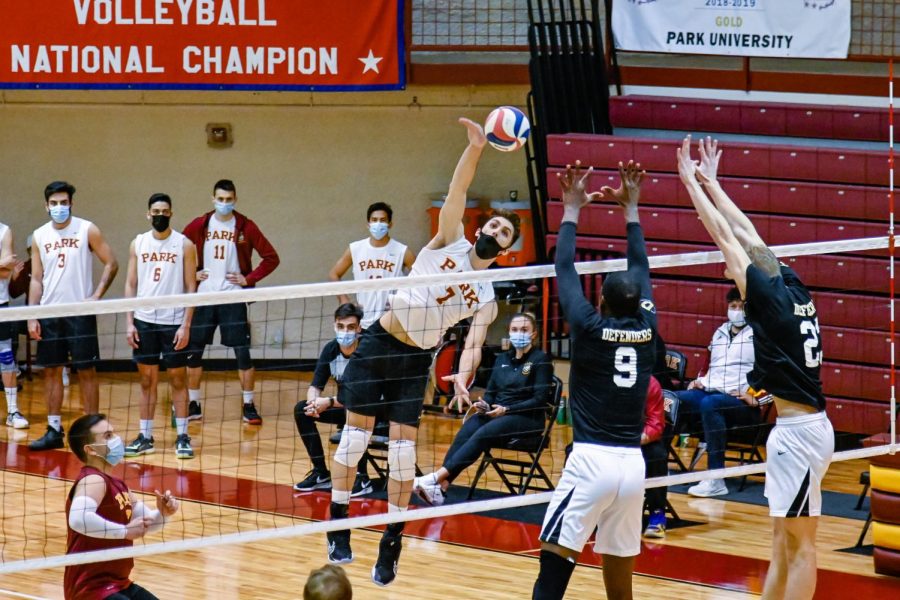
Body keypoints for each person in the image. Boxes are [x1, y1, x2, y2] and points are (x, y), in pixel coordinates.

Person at [325, 117, 521, 587]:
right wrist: (475, 147)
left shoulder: (488, 295)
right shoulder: (448, 238)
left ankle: (391, 542)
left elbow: (474, 343)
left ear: (508, 250)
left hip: (416, 362)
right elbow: (458, 187)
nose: (495, 230)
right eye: (493, 223)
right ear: (480, 227)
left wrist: (464, 378)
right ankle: (338, 524)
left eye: (505, 233)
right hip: (378, 345)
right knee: (353, 440)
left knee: (400, 456)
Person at [677, 136, 832, 600]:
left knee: (802, 547)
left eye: (733, 271)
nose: (728, 271)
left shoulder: (765, 298)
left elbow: (726, 236)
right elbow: (749, 235)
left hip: (800, 433)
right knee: (781, 545)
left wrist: (690, 184)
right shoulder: (792, 284)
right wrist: (715, 183)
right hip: (800, 429)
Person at [532, 160, 655, 600]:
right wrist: (632, 211)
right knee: (620, 580)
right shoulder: (647, 329)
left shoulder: (587, 326)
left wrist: (570, 210)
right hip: (632, 465)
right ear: (639, 302)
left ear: (599, 299)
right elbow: (640, 269)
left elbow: (563, 268)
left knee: (553, 560)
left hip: (590, 462)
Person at [413, 312, 553, 505]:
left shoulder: (540, 360)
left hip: (528, 419)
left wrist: (507, 409)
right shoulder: (502, 359)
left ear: (534, 334)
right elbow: (491, 393)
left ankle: (435, 478)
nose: (518, 333)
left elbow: (540, 399)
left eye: (524, 330)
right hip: (498, 414)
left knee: (486, 432)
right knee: (469, 427)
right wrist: (484, 404)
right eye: (514, 330)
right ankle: (442, 487)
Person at [28, 181, 119, 451]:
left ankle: (92, 430)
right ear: (46, 206)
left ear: (71, 204)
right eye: (54, 204)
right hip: (50, 312)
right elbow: (36, 278)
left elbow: (112, 263)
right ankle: (54, 429)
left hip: (79, 313)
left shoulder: (86, 229)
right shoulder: (39, 235)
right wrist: (33, 315)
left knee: (87, 371)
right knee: (51, 371)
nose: (59, 208)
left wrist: (96, 296)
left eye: (63, 203)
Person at [182, 179, 280, 425]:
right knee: (194, 353)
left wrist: (248, 279)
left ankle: (248, 404)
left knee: (243, 354)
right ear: (213, 199)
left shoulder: (245, 226)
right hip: (204, 298)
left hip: (233, 298)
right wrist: (192, 273)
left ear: (235, 199)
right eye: (220, 199)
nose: (224, 204)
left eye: (229, 199)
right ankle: (194, 403)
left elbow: (271, 257)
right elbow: (177, 250)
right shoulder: (200, 224)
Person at [65, 413, 179, 600]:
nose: (116, 439)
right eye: (108, 436)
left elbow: (147, 524)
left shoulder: (118, 484)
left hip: (119, 583)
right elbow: (78, 520)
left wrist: (163, 513)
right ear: (91, 450)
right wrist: (125, 531)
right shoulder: (93, 480)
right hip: (90, 590)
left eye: (113, 433)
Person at [123, 193, 198, 460]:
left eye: (165, 211)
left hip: (173, 321)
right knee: (146, 380)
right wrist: (129, 322)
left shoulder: (185, 245)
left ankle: (182, 436)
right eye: (155, 211)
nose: (160, 215)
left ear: (171, 214)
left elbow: (192, 287)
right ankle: (145, 436)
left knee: (178, 379)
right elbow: (131, 283)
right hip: (144, 321)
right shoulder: (138, 243)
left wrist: (186, 325)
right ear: (148, 214)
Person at [677, 286, 758, 497]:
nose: (737, 310)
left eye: (742, 306)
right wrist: (698, 380)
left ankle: (716, 478)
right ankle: (652, 468)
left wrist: (758, 397)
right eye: (733, 306)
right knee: (673, 399)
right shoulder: (719, 332)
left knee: (710, 404)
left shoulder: (759, 335)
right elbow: (707, 365)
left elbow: (773, 372)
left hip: (739, 403)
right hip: (710, 391)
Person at [294, 303, 379, 497]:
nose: (345, 332)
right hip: (344, 405)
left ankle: (361, 477)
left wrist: (329, 402)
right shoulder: (331, 349)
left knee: (356, 411)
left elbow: (361, 395)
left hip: (373, 408)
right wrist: (314, 403)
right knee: (302, 410)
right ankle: (321, 473)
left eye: (350, 327)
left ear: (359, 328)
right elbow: (315, 385)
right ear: (335, 325)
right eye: (341, 327)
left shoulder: (368, 349)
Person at [328, 202, 415, 328]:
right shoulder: (355, 248)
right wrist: (343, 300)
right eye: (374, 220)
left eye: (383, 220)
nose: (378, 224)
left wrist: (405, 301)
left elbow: (422, 279)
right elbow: (333, 274)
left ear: (390, 224)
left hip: (391, 320)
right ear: (368, 224)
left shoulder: (403, 251)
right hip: (363, 319)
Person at [1, 221, 28, 429]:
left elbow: (6, 271)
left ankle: (13, 411)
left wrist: (6, 266)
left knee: (6, 356)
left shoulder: (4, 230)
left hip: (1, 305)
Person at [641, 375, 668, 539]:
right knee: (573, 450)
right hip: (609, 438)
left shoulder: (650, 383)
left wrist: (637, 439)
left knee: (656, 455)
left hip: (639, 439)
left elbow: (656, 424)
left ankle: (657, 513)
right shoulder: (603, 378)